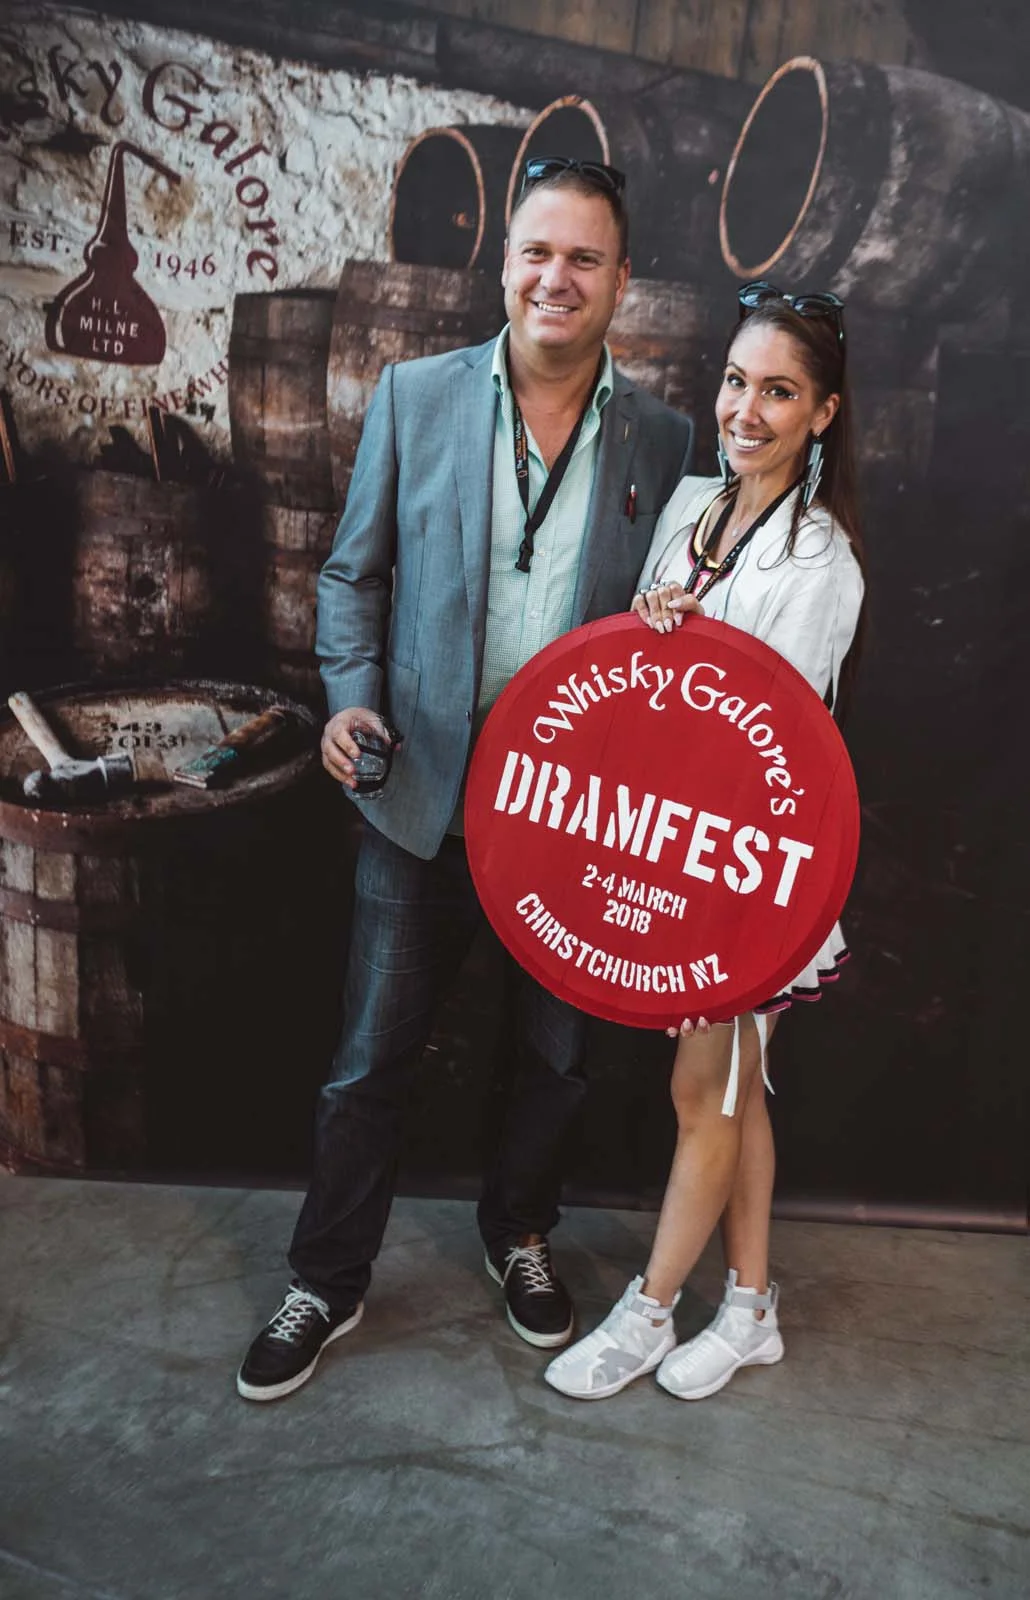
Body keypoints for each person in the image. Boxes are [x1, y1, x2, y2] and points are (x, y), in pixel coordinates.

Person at [236, 156, 694, 1401]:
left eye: (584, 258)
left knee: (553, 1061)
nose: (557, 277)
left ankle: (519, 1233)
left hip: (572, 820)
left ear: (621, 280)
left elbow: (671, 638)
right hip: (418, 794)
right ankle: (326, 1279)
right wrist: (351, 699)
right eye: (537, 252)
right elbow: (352, 576)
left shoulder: (664, 437)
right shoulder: (416, 394)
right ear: (504, 265)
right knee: (367, 1063)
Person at [543, 281, 865, 1403]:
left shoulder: (821, 562)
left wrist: (709, 930)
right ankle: (751, 1308)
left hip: (745, 878)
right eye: (736, 382)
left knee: (705, 1094)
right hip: (672, 853)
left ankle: (646, 1313)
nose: (746, 410)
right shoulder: (689, 504)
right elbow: (647, 696)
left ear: (822, 413)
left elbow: (772, 761)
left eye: (778, 392)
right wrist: (655, 628)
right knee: (738, 1093)